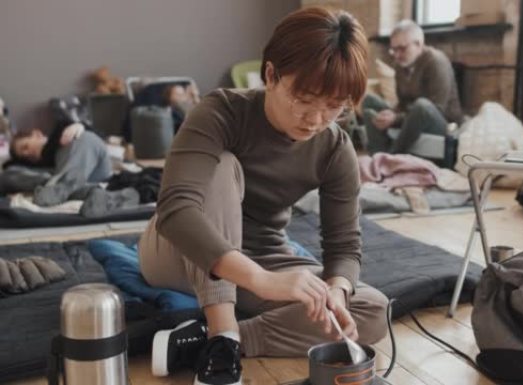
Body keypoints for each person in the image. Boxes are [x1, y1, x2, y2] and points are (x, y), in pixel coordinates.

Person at [138, 7, 389, 385]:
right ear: (271, 75)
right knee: (223, 166)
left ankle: (222, 341)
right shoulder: (222, 111)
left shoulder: (335, 148)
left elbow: (344, 246)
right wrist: (260, 280)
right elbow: (176, 210)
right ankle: (221, 336)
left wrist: (337, 290)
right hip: (177, 250)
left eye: (334, 107)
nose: (316, 119)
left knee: (371, 309)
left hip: (263, 254)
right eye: (304, 98)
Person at [363, 19, 465, 155]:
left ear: (419, 44)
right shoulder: (400, 65)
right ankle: (378, 153)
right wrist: (393, 113)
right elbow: (403, 103)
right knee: (369, 101)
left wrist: (396, 118)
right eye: (394, 49)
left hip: (444, 123)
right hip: (411, 117)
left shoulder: (436, 62)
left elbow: (435, 109)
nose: (397, 55)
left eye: (402, 49)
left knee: (421, 106)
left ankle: (393, 154)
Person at [10, 121, 139, 216]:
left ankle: (66, 183)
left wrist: (79, 125)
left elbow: (99, 135)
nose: (26, 154)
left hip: (95, 166)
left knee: (85, 138)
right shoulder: (40, 165)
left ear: (37, 134)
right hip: (84, 182)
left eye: (25, 147)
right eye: (23, 156)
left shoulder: (60, 130)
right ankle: (109, 197)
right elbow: (9, 168)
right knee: (52, 184)